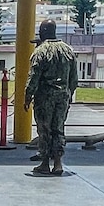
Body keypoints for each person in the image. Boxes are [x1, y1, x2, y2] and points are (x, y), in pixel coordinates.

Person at [24, 19, 78, 176]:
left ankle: (45, 163)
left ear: (42, 32)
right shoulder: (68, 50)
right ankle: (58, 163)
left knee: (44, 129)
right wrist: (69, 94)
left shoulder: (40, 52)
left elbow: (34, 77)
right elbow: (74, 78)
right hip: (63, 97)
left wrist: (28, 96)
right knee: (58, 128)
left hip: (45, 98)